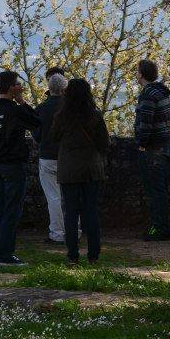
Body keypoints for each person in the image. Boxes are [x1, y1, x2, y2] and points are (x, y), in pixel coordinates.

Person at [0, 70, 41, 266]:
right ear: (13, 87)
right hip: (12, 165)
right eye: (18, 84)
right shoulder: (14, 110)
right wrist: (22, 100)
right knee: (11, 210)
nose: (20, 87)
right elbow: (37, 122)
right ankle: (5, 254)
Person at [51, 78, 109, 264]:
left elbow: (52, 138)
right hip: (91, 169)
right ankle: (93, 254)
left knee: (71, 213)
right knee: (91, 212)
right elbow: (104, 144)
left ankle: (72, 255)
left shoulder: (61, 117)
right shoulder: (95, 116)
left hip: (68, 169)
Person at [135, 58, 170, 241]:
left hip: (152, 148)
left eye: (137, 71)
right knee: (160, 189)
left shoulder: (148, 94)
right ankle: (161, 227)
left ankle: (158, 229)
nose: (136, 74)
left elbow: (146, 122)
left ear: (141, 74)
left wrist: (142, 143)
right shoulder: (162, 92)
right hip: (164, 145)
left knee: (155, 190)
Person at [34, 72, 68, 244]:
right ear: (64, 89)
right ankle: (73, 231)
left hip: (47, 157)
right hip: (68, 157)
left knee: (53, 198)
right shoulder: (70, 108)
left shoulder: (41, 108)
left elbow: (37, 135)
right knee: (70, 197)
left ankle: (57, 233)